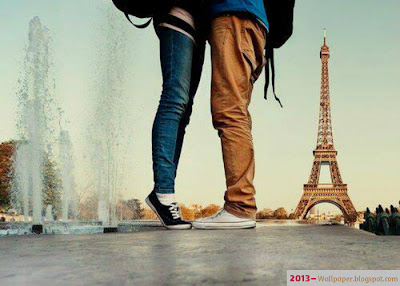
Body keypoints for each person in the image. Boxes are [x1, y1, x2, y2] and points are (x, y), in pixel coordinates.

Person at [192, 0, 269, 229]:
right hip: (253, 23)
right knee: (238, 113)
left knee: (229, 111)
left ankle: (240, 205)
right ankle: (242, 203)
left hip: (234, 17)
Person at [145, 1, 206, 229]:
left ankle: (163, 191)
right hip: (179, 12)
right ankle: (163, 193)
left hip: (199, 28)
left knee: (184, 110)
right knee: (174, 101)